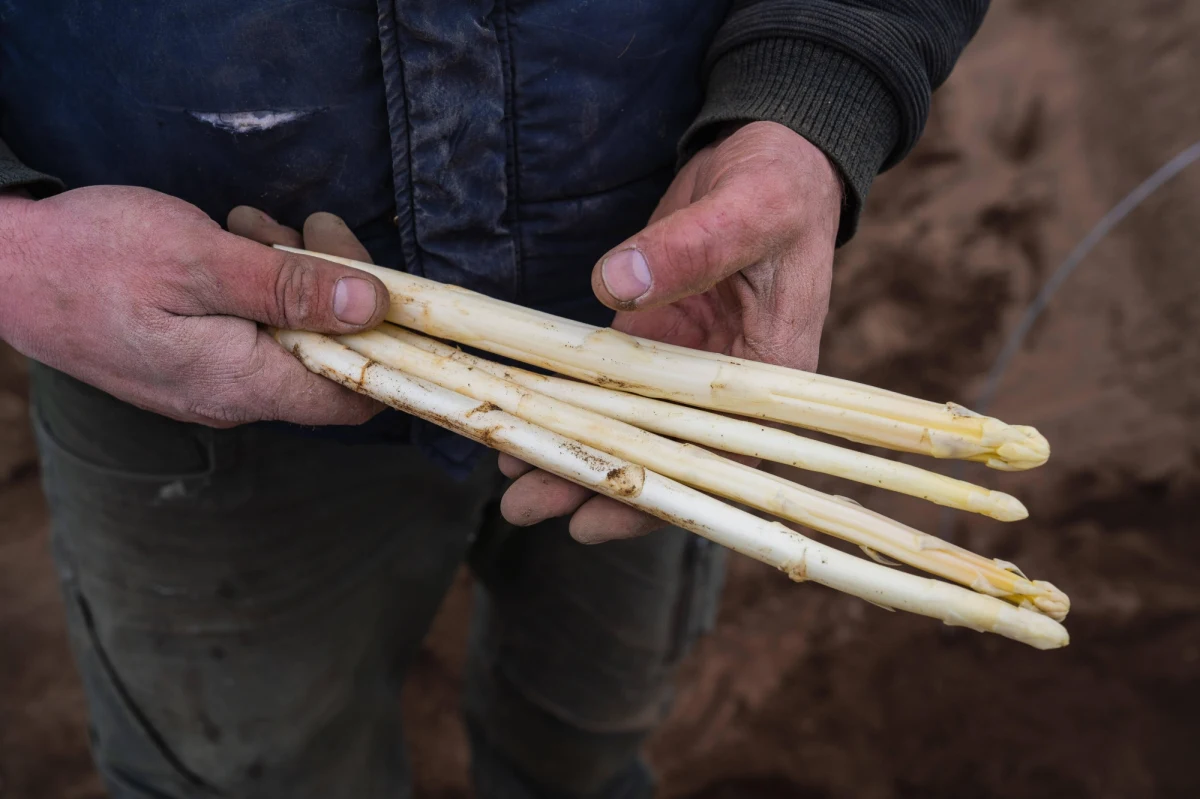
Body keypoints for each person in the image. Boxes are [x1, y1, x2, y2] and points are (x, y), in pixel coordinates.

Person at [0, 2, 989, 797]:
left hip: (668, 305)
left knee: (593, 719)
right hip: (171, 337)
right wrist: (15, 247)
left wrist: (811, 99)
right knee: (244, 766)